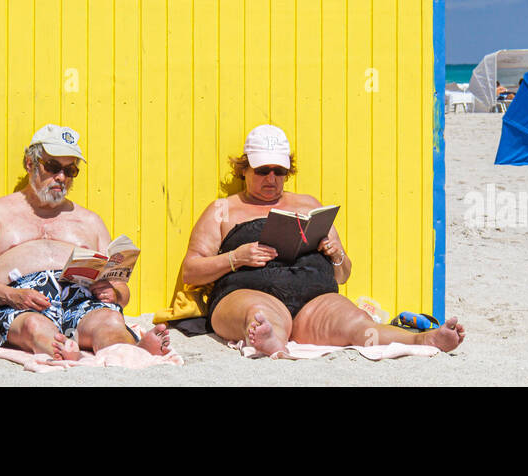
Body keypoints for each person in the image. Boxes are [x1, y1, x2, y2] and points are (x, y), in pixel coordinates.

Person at [180, 124, 464, 357]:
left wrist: (336, 254)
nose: (271, 178)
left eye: (279, 171)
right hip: (247, 292)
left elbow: (342, 275)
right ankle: (271, 340)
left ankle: (422, 341)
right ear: (243, 169)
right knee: (259, 315)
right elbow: (191, 271)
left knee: (356, 324)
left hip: (313, 300)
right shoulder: (223, 210)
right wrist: (236, 257)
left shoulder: (307, 205)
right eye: (262, 170)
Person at [0, 124, 169, 361]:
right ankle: (61, 350)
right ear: (30, 164)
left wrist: (113, 293)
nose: (61, 177)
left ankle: (127, 349)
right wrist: (11, 295)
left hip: (82, 299)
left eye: (70, 170)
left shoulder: (89, 220)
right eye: (53, 167)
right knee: (33, 326)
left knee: (110, 320)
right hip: (20, 303)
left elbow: (121, 289)